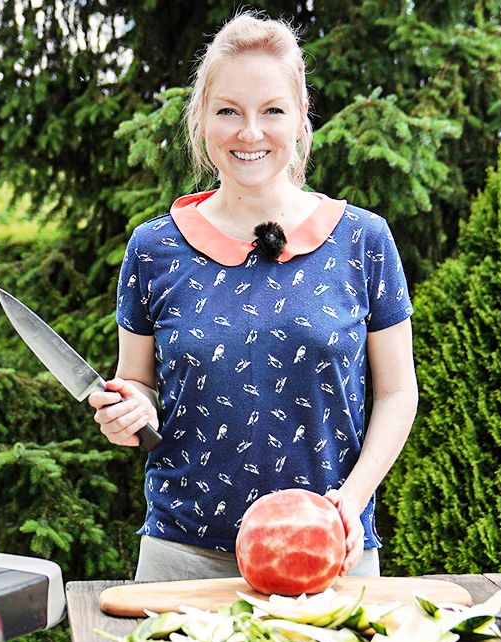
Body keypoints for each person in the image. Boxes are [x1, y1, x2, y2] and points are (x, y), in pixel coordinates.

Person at [87, 11, 419, 582]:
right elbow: (136, 381)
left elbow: (397, 392)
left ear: (300, 118)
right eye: (228, 111)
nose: (249, 132)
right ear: (202, 120)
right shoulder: (152, 248)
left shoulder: (363, 240)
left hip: (327, 548)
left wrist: (352, 500)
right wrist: (130, 410)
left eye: (271, 110)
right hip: (182, 555)